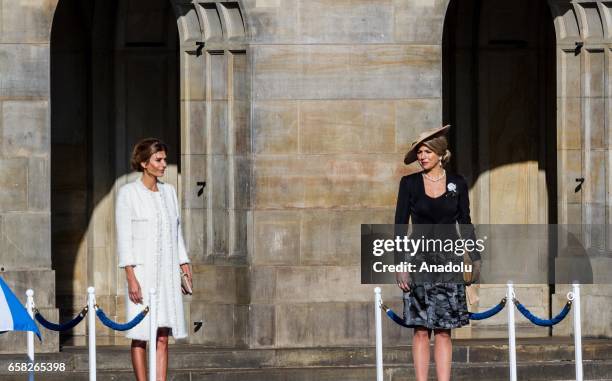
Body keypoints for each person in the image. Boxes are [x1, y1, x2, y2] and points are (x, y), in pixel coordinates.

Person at [394, 125, 481, 381]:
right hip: (418, 260)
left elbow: (465, 222)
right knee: (420, 329)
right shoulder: (408, 183)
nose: (422, 156)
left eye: (427, 151)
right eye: (419, 152)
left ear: (441, 154)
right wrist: (400, 264)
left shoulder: (458, 183)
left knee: (444, 330)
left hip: (449, 261)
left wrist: (475, 257)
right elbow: (400, 225)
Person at [116, 138, 192, 381]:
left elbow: (176, 231)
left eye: (164, 159)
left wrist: (184, 263)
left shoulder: (169, 192)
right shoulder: (128, 194)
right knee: (141, 334)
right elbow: (124, 239)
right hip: (143, 273)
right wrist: (131, 277)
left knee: (162, 335)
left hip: (167, 274)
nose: (164, 164)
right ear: (144, 162)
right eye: (159, 160)